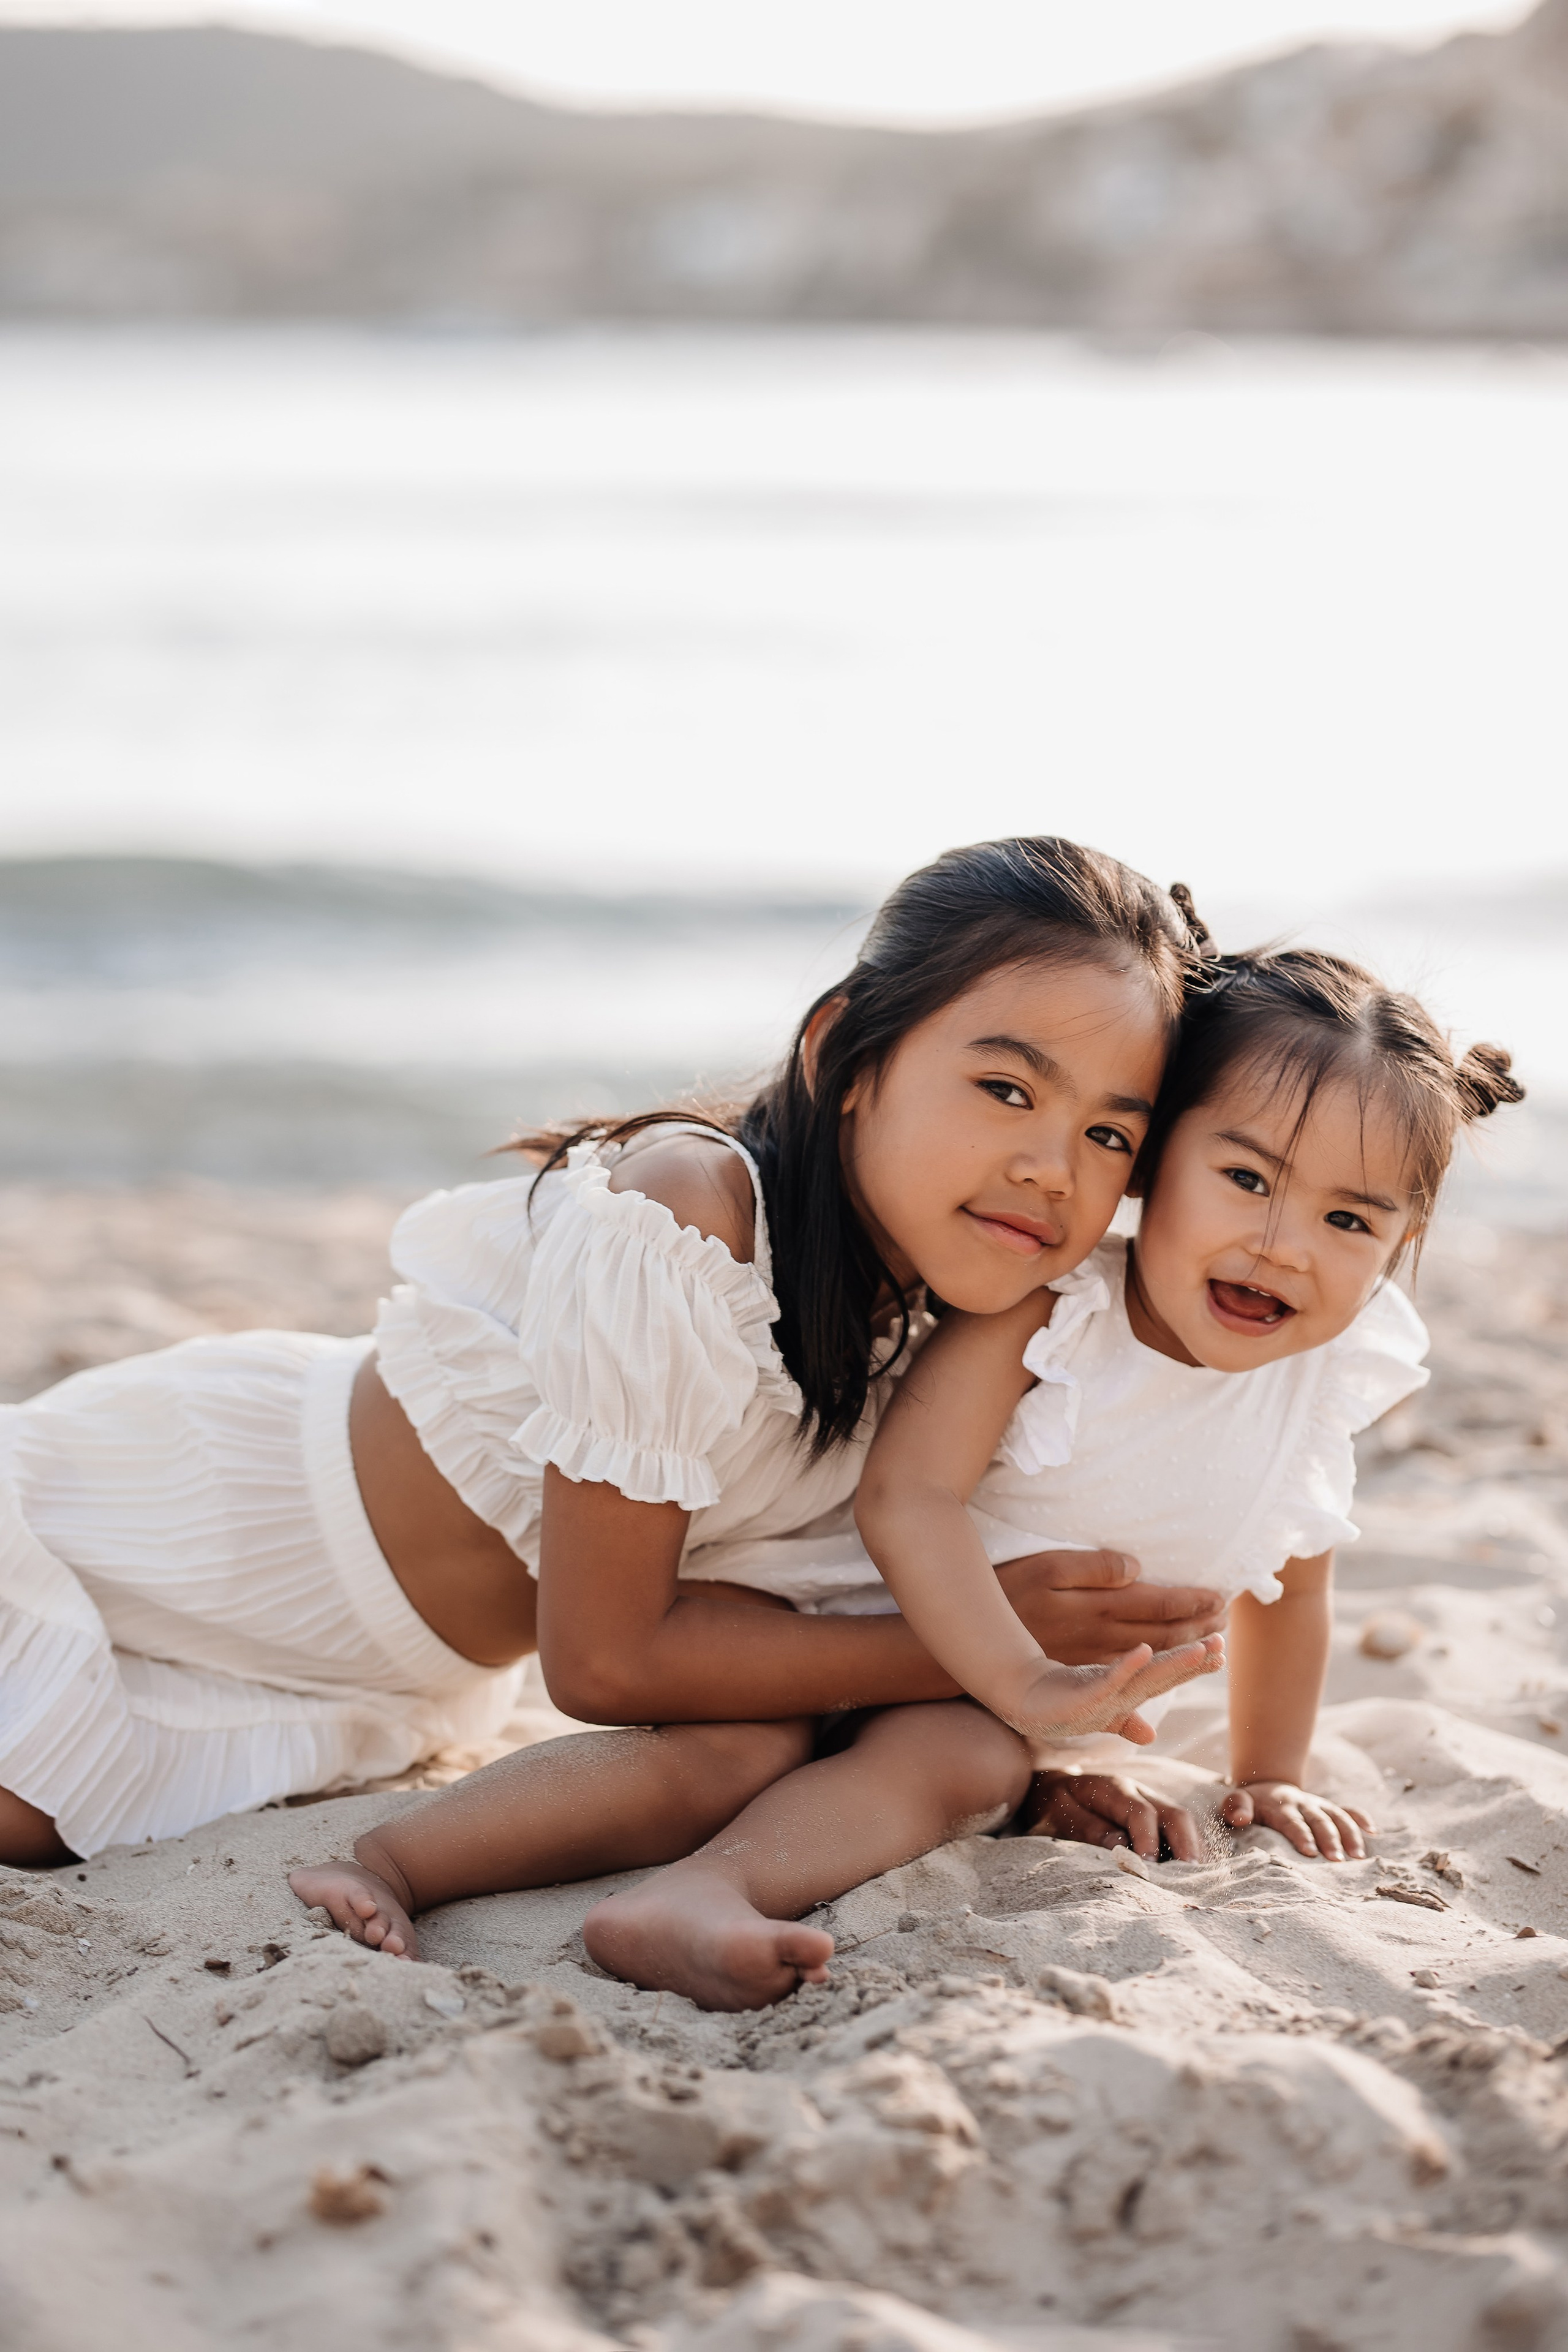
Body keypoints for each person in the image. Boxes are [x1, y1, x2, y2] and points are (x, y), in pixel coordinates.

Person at [297, 949, 1520, 2012]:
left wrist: (1262, 1776)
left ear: (1398, 1249)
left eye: (1349, 1223)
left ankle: (696, 1898)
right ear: (1152, 1169)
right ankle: (397, 1865)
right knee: (726, 1753)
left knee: (967, 1766)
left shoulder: (1317, 1391)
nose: (1279, 1243)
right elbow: (905, 1499)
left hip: (987, 1707)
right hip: (849, 1625)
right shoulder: (1052, 1316)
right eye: (1244, 1179)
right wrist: (1023, 1678)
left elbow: (1287, 1592)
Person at [0, 836, 1223, 1869]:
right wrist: (995, 1656)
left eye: (1110, 1133)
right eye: (1007, 1090)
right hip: (183, 1525)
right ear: (845, 1054)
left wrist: (1017, 1763)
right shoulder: (687, 1222)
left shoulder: (958, 1328)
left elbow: (785, 1633)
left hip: (351, 1682)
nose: (1050, 1169)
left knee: (49, 1816)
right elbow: (602, 1658)